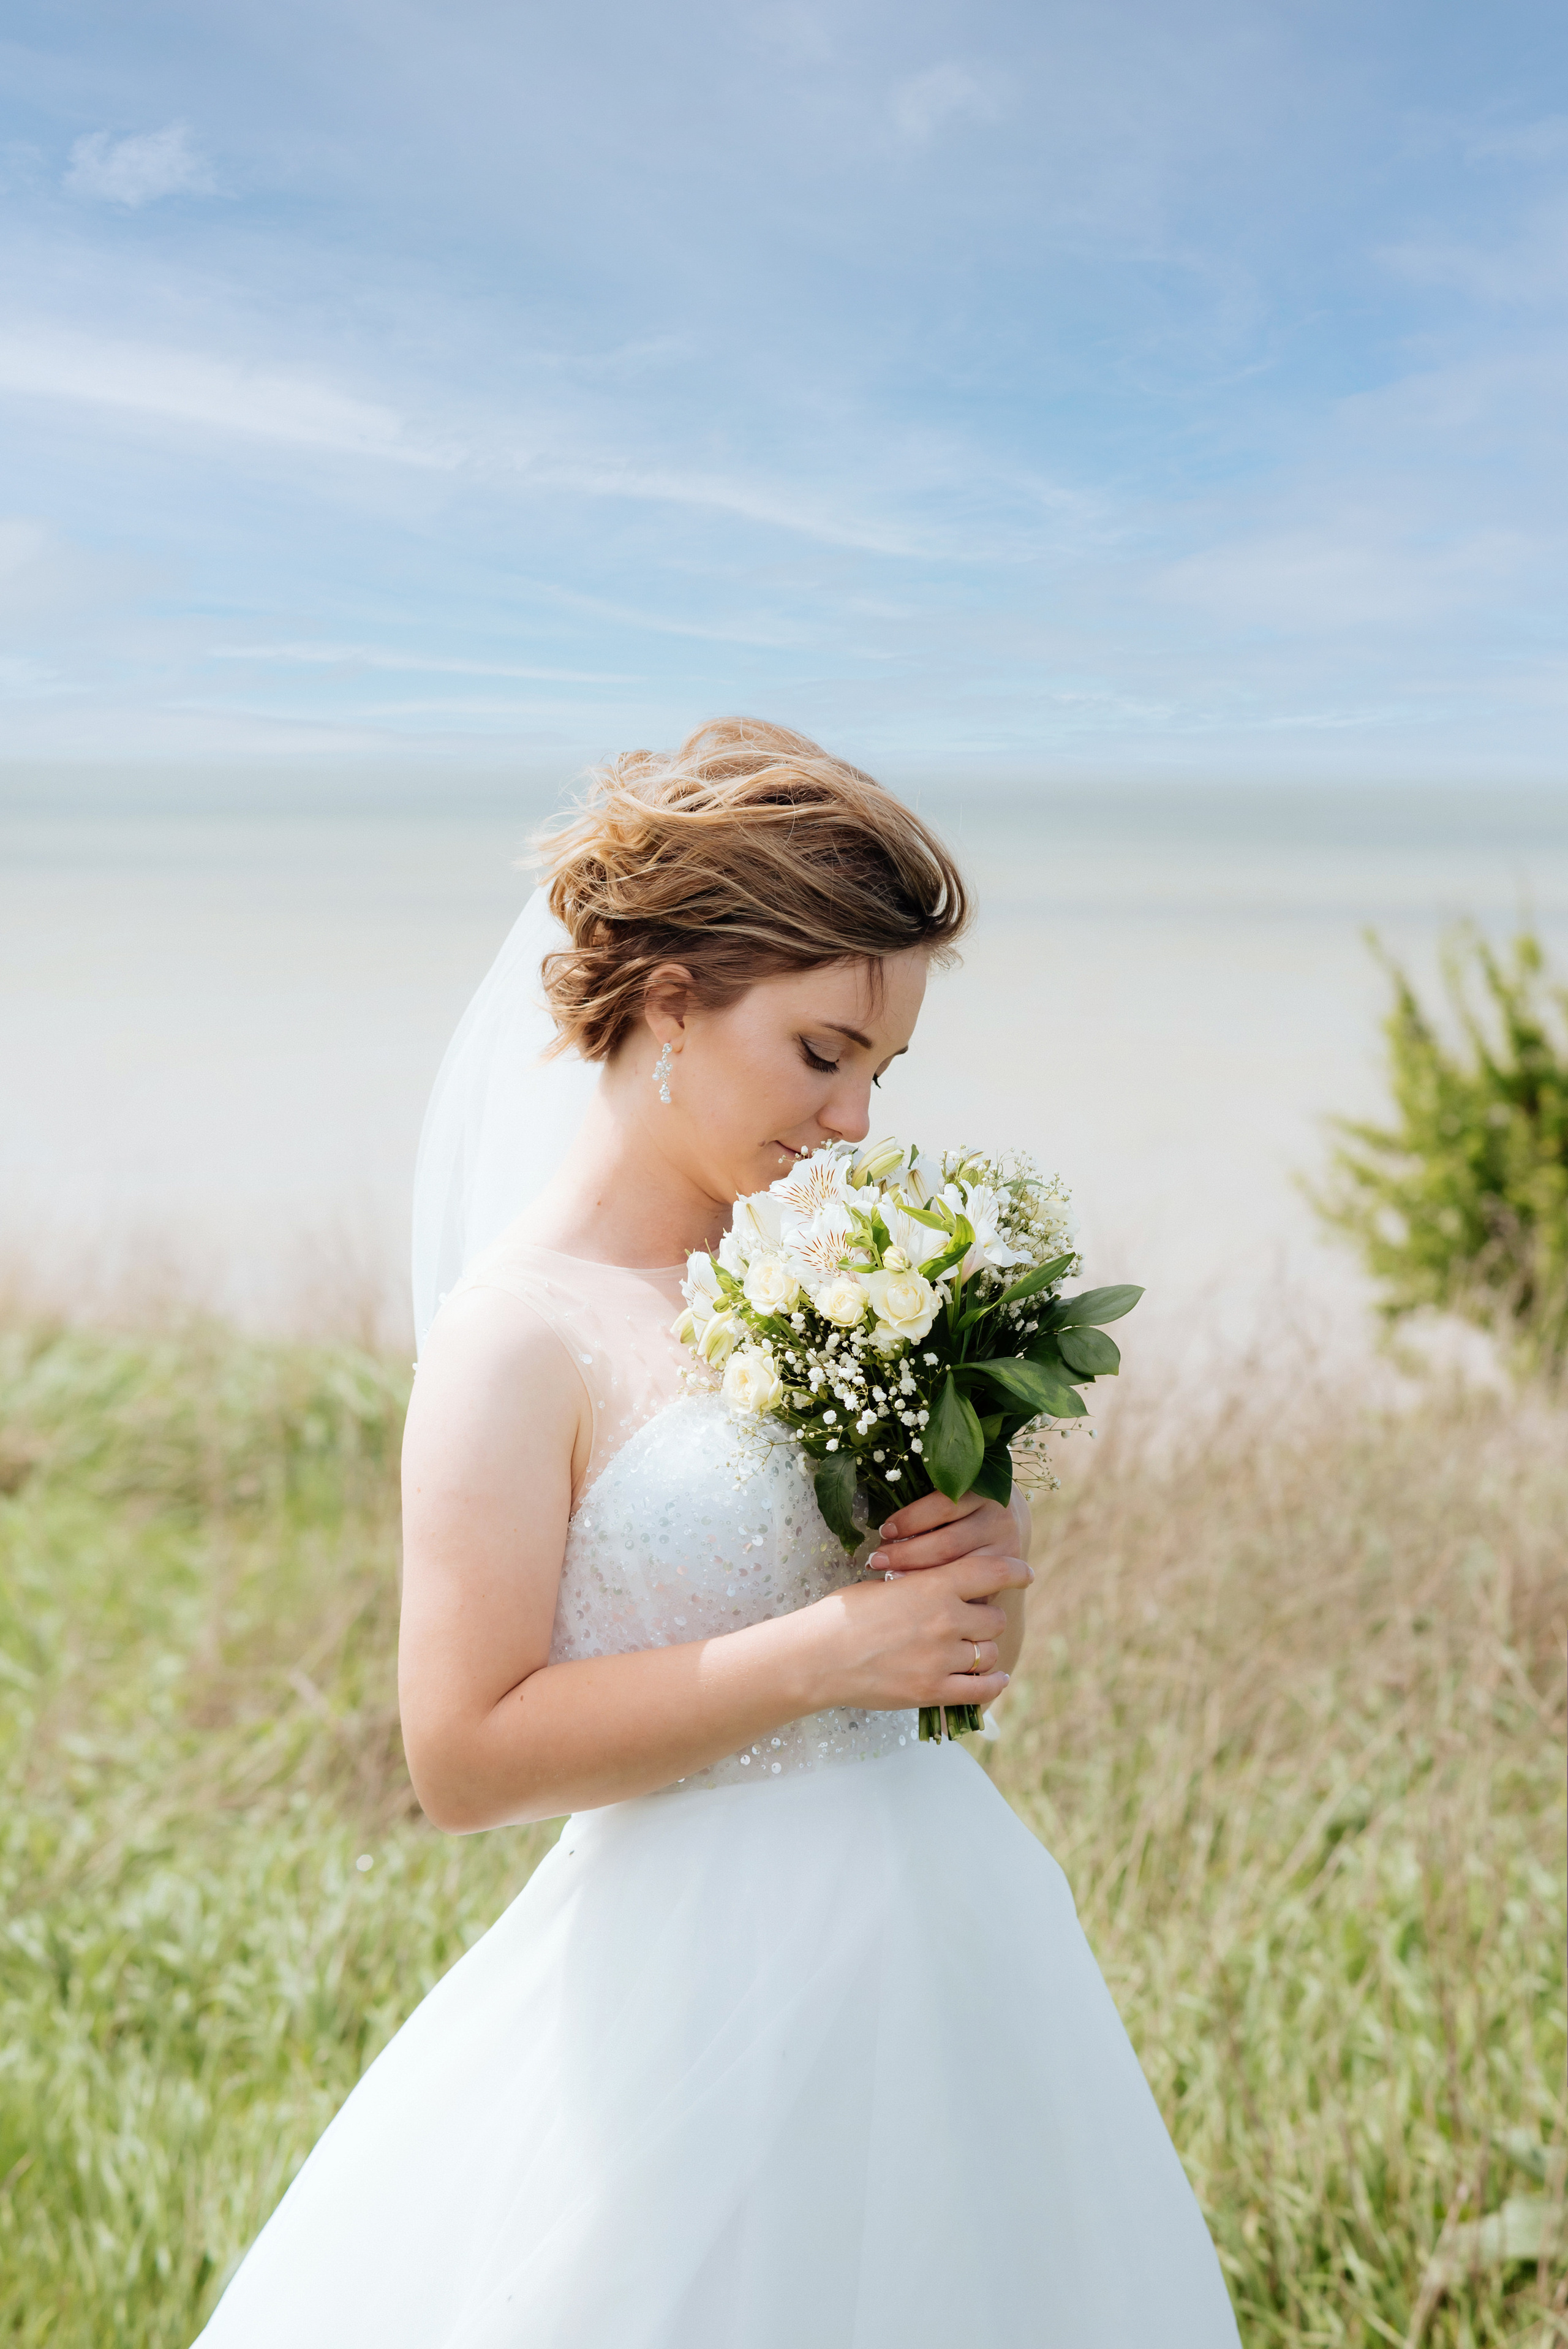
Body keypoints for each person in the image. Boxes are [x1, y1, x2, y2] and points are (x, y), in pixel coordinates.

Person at [196, 719, 1239, 2347]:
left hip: (948, 1947)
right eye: (823, 1052)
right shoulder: (516, 1336)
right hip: (697, 1992)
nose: (855, 1125)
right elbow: (461, 1752)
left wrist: (971, 1591)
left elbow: (945, 1655)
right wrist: (829, 1651)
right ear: (671, 997)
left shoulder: (848, 1276)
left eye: (882, 1072)